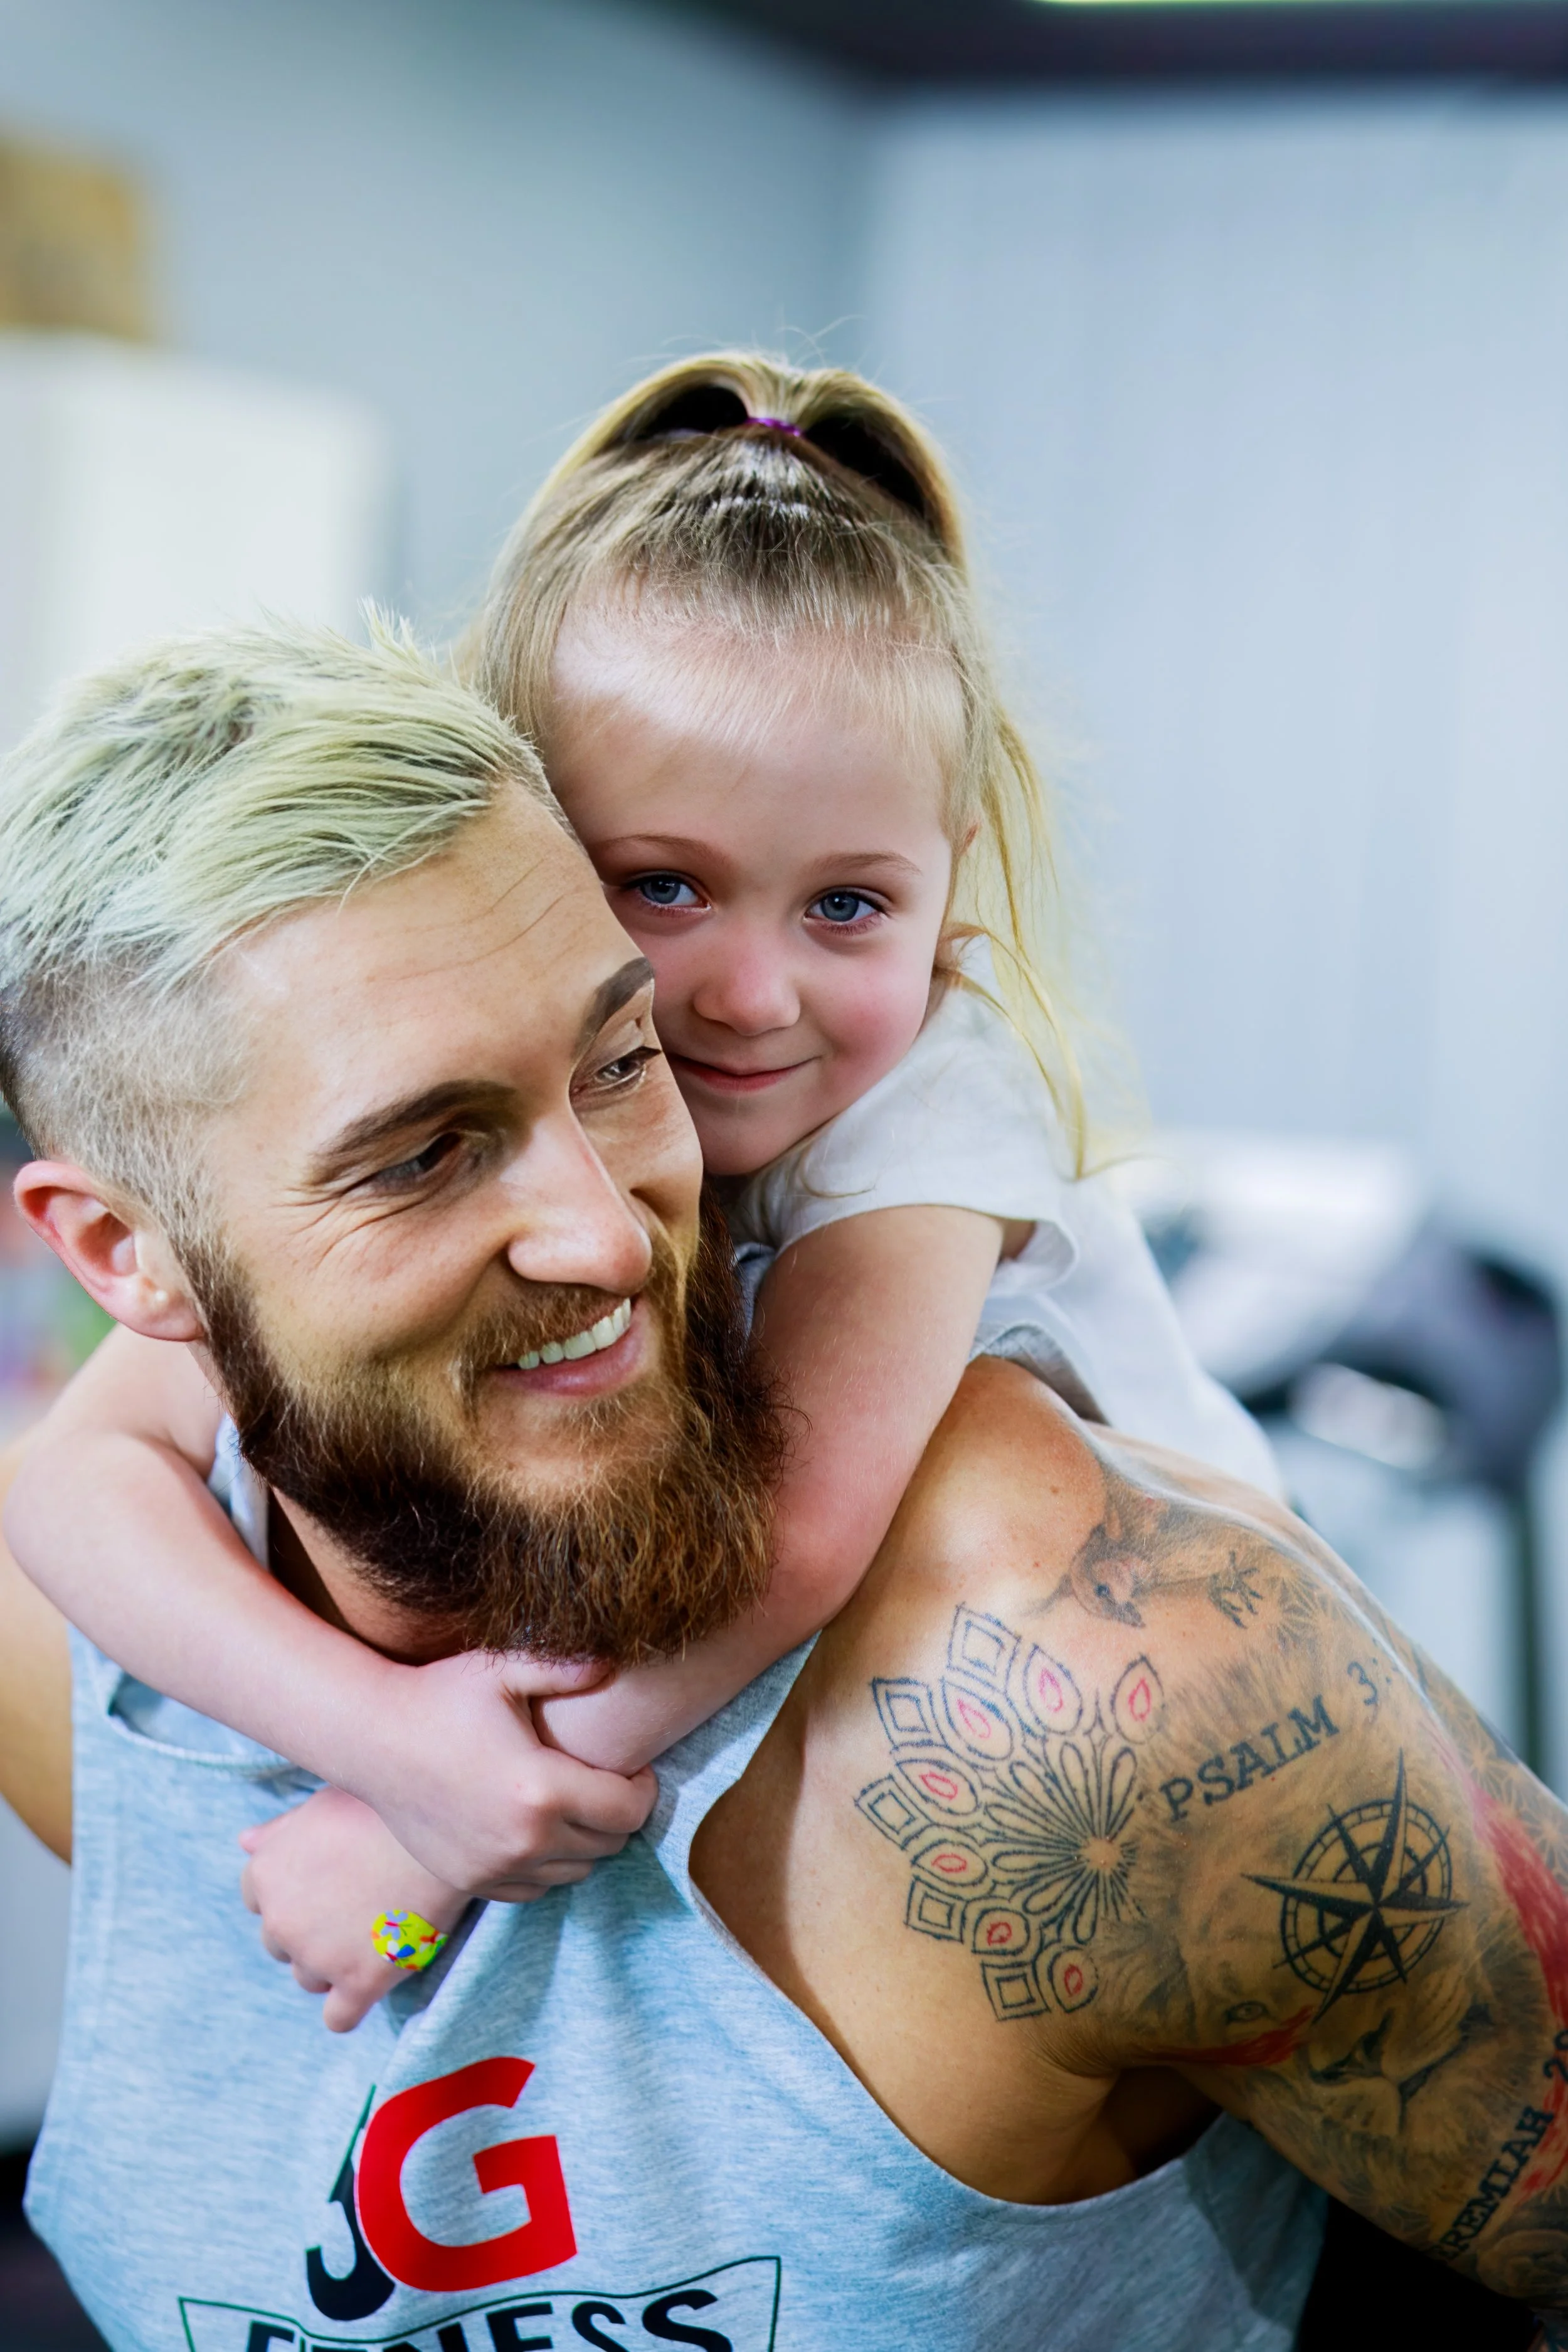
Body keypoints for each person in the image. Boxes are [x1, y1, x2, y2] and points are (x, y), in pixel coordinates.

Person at [0, 622, 1564, 2350]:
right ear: (124, 1256)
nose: (610, 1238)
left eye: (623, 1063)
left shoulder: (1082, 1684)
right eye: (427, 1153)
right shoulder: (69, 1652)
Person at [3, 357, 1278, 2027]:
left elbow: (798, 1536)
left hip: (1196, 1719)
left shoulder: (936, 1108)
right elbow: (67, 1480)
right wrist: (383, 1739)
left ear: (950, 877)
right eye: (663, 886)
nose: (749, 994)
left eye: (848, 906)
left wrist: (429, 1839)